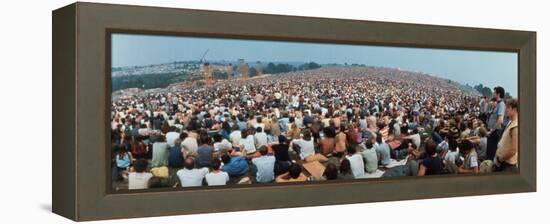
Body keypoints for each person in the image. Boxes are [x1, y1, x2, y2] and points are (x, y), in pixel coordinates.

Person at [495, 98, 519, 172]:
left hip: (508, 166)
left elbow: (513, 150)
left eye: (508, 107)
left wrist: (500, 159)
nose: (505, 110)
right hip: (503, 163)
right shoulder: (510, 122)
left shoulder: (515, 126)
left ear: (514, 109)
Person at [486, 86, 506, 161]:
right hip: (492, 131)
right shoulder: (497, 103)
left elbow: (500, 120)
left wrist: (491, 130)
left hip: (494, 132)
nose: (493, 93)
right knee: (489, 150)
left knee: (491, 151)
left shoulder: (501, 104)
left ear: (498, 94)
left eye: (494, 92)